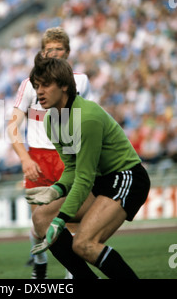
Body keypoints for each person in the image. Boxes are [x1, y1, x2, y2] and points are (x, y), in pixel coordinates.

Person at [26, 53, 151, 279]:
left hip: (126, 178)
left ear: (64, 86)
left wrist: (61, 219)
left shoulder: (87, 118)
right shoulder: (49, 121)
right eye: (36, 86)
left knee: (84, 244)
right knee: (40, 218)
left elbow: (84, 177)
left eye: (45, 85)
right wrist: (55, 190)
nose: (39, 92)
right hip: (99, 182)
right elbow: (72, 169)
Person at [8, 27, 91, 279]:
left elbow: (89, 119)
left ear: (67, 52)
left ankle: (72, 274)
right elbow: (12, 126)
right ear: (42, 53)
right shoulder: (29, 85)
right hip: (39, 158)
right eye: (48, 49)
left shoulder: (81, 81)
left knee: (72, 218)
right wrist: (24, 158)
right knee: (39, 222)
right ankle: (40, 260)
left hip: (69, 156)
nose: (53, 53)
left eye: (58, 49)